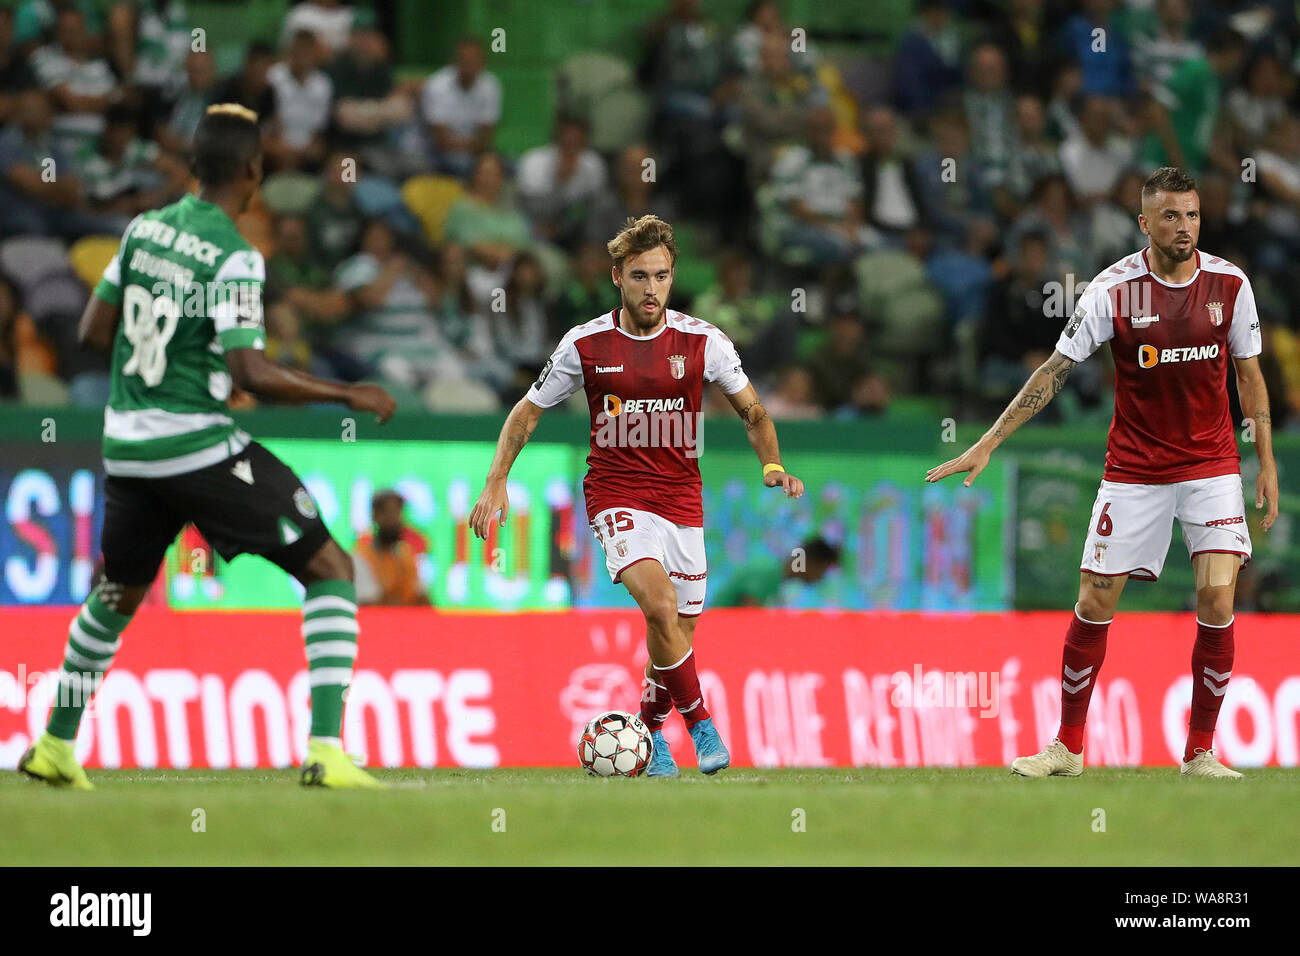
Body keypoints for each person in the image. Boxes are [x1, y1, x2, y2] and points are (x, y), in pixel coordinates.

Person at [17, 103, 397, 792]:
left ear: (194, 167)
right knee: (331, 566)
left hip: (127, 446)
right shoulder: (234, 254)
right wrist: (347, 394)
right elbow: (252, 371)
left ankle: (53, 744)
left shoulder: (140, 230)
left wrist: (177, 363)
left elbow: (93, 330)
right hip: (192, 444)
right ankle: (326, 750)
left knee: (117, 592)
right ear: (253, 171)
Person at [927, 166, 1278, 779]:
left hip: (1212, 465)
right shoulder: (1113, 291)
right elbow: (1054, 372)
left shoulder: (1230, 284)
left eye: (1193, 214)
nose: (1185, 227)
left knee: (1218, 597)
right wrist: (988, 440)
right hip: (1136, 468)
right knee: (1094, 600)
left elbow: (1249, 376)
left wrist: (1266, 462)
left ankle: (1200, 753)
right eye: (1170, 216)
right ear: (1145, 223)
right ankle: (1066, 746)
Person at [469, 214, 804, 776]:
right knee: (660, 605)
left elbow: (754, 411)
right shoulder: (586, 344)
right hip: (617, 494)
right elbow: (526, 413)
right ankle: (702, 728)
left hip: (682, 501)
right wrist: (496, 478)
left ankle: (646, 736)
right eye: (640, 276)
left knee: (675, 629)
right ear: (617, 278)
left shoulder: (703, 342)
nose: (652, 288)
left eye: (662, 276)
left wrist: (771, 463)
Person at [354, 490, 430, 606]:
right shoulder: (361, 557)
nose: (394, 519)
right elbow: (368, 604)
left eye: (397, 512)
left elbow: (422, 596)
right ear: (375, 516)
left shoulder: (406, 553)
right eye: (388, 513)